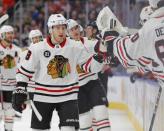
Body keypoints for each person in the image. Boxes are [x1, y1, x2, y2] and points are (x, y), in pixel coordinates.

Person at [12, 14, 105, 131]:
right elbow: (24, 71)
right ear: (50, 29)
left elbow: (91, 67)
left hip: (68, 97)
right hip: (42, 97)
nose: (61, 31)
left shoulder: (75, 47)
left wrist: (100, 56)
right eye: (57, 28)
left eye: (63, 27)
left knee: (69, 129)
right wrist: (20, 90)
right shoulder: (37, 48)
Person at [67, 19, 111, 131]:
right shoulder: (66, 49)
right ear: (68, 33)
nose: (74, 31)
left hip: (93, 83)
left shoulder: (90, 42)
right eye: (71, 29)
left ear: (79, 28)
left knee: (102, 113)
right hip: (77, 89)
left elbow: (105, 50)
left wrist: (107, 41)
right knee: (84, 122)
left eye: (76, 27)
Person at [0, 25, 22, 131]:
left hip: (11, 87)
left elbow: (21, 68)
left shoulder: (17, 50)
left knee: (9, 113)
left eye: (12, 33)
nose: (11, 35)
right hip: (0, 86)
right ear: (2, 35)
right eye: (8, 33)